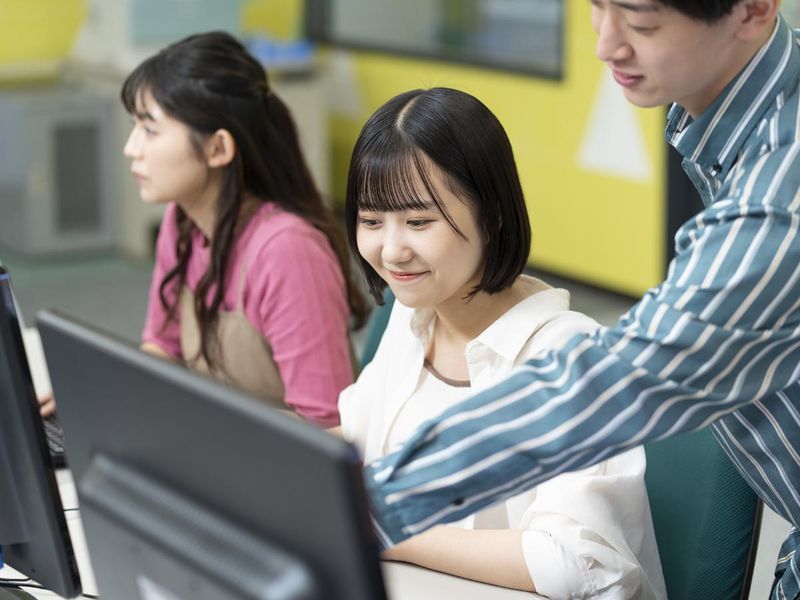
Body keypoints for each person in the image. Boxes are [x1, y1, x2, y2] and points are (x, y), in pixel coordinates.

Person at [362, 1, 800, 598]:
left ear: (753, 9)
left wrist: (380, 504)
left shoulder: (779, 196)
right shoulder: (733, 127)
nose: (606, 46)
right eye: (598, 7)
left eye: (641, 22)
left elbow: (621, 384)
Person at [339, 87, 666, 598]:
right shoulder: (413, 315)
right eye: (371, 221)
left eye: (419, 222)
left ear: (491, 216)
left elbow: (576, 565)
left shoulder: (571, 358)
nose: (392, 250)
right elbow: (360, 436)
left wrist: (390, 529)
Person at [43, 32, 367, 426]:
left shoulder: (287, 251)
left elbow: (327, 423)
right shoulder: (182, 221)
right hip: (210, 442)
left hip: (272, 459)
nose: (131, 148)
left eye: (150, 130)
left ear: (217, 149)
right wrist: (105, 390)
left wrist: (196, 421)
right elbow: (164, 346)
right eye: (135, 126)